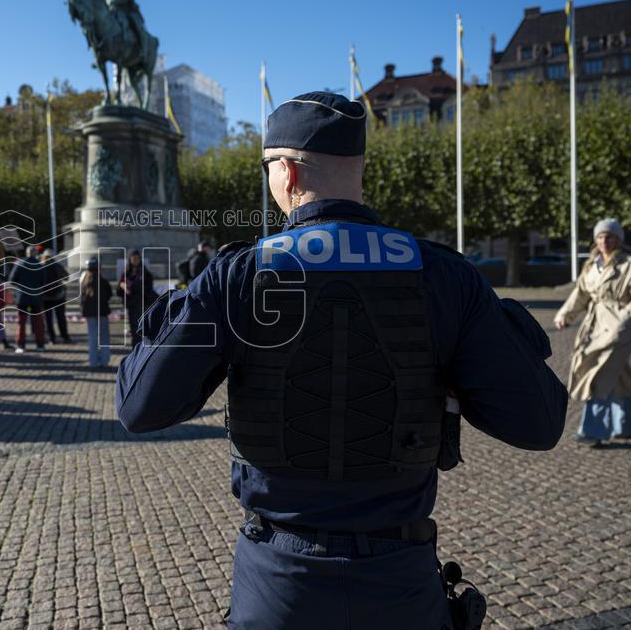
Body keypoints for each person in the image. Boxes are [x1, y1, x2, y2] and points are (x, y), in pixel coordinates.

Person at [115, 91, 568, 629]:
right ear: (357, 169)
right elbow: (539, 423)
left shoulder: (237, 276)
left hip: (279, 584)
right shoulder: (446, 276)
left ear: (285, 171)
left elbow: (139, 406)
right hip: (401, 585)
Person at [554, 218, 630, 446]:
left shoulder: (627, 265)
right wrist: (564, 315)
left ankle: (592, 431)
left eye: (609, 236)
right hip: (595, 325)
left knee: (599, 376)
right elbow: (580, 294)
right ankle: (623, 426)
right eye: (600, 236)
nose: (604, 241)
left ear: (618, 239)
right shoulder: (592, 266)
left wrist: (624, 320)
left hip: (621, 328)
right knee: (621, 378)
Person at [7, 245, 47, 353]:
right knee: (38, 323)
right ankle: (40, 345)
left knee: (21, 323)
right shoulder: (39, 265)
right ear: (35, 253)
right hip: (36, 297)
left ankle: (21, 345)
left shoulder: (20, 264)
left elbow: (12, 280)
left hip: (22, 297)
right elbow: (44, 282)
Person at [118, 249, 156, 347]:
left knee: (143, 329)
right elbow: (119, 289)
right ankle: (135, 351)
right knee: (134, 330)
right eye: (133, 258)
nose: (135, 260)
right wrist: (122, 286)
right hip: (132, 306)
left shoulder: (145, 273)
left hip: (143, 305)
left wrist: (136, 287)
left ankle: (144, 350)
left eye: (137, 258)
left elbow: (149, 289)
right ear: (129, 259)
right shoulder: (127, 273)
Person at [80, 257, 112, 368]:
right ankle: (104, 360)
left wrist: (83, 311)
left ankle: (93, 361)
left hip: (90, 313)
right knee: (104, 338)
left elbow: (82, 299)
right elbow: (109, 295)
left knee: (92, 338)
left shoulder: (85, 281)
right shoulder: (103, 281)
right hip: (102, 312)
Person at [41, 249, 72, 344]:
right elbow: (66, 277)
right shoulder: (57, 265)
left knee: (48, 319)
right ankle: (65, 337)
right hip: (58, 295)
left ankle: (51, 338)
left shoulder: (40, 267)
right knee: (61, 317)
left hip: (45, 297)